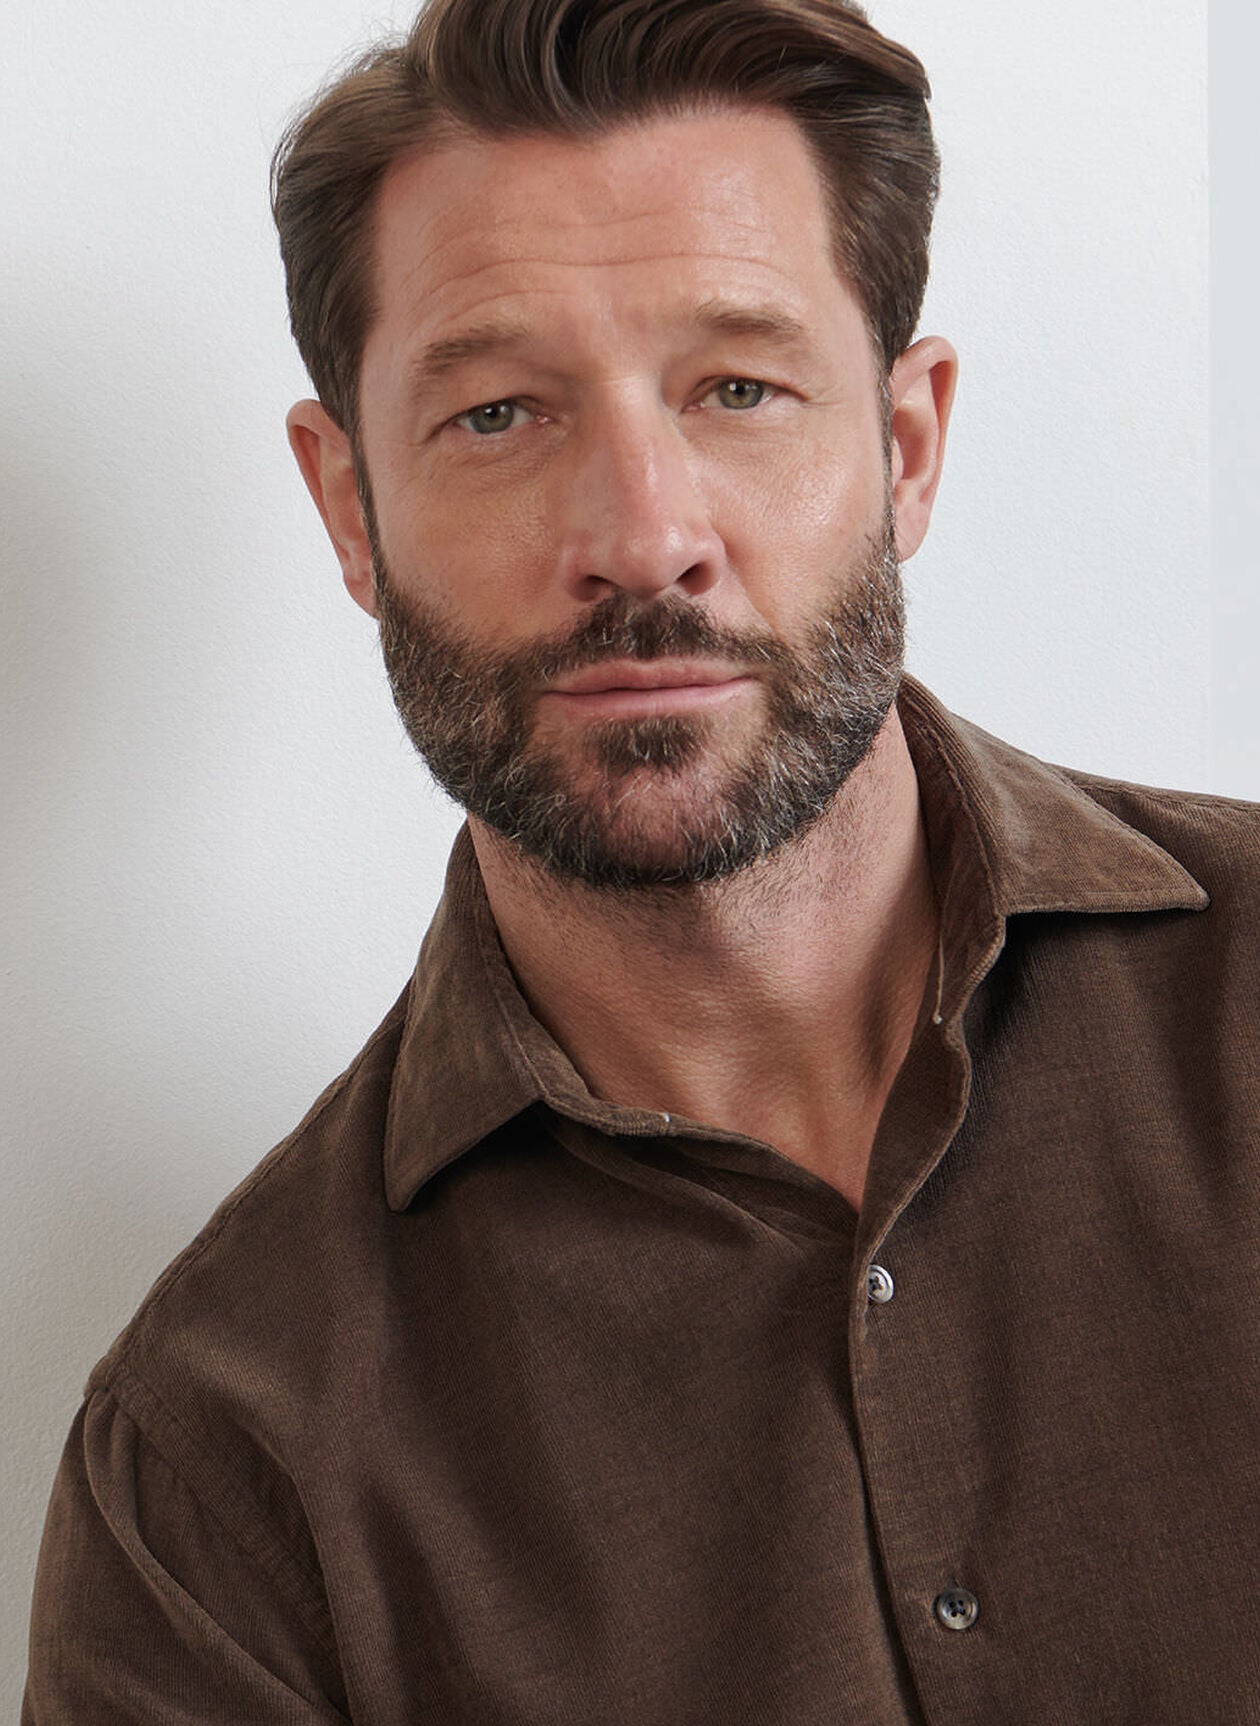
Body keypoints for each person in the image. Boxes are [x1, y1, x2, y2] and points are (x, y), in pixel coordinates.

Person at [23, 0, 1260, 1718]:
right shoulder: (218, 1484)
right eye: (499, 414)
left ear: (906, 446)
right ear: (350, 508)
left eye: (738, 387)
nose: (642, 534)